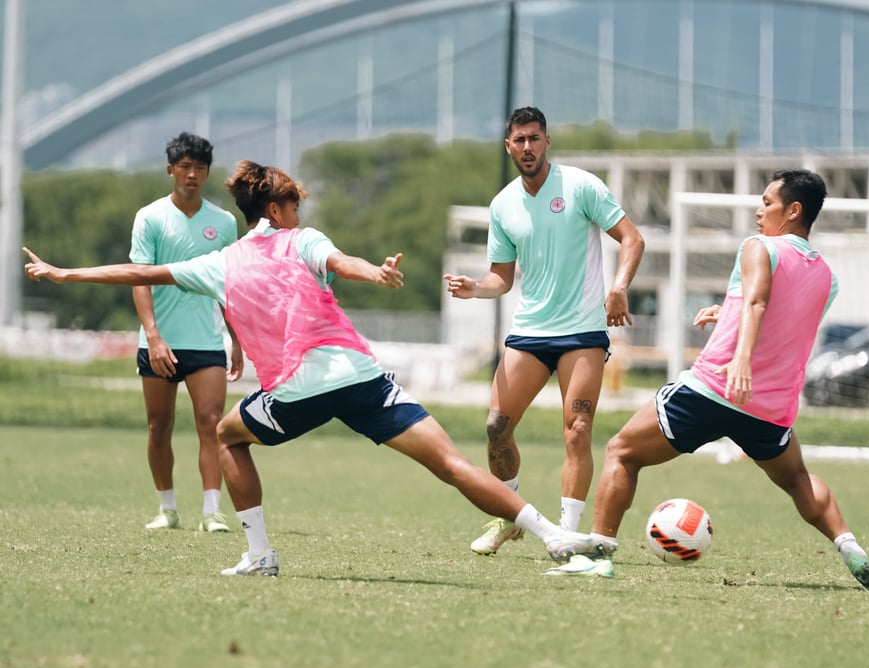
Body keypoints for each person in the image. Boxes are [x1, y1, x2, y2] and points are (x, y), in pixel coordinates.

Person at [24, 160, 599, 577]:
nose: (299, 214)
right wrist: (376, 272)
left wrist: (65, 274)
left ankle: (259, 554)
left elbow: (140, 273)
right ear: (275, 210)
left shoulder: (220, 262)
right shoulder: (302, 240)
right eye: (294, 205)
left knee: (226, 435)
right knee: (451, 464)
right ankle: (552, 535)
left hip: (298, 391)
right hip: (361, 377)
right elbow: (343, 263)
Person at [546, 169, 869, 592]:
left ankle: (599, 556)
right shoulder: (827, 277)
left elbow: (758, 302)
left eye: (767, 203)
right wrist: (726, 313)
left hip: (713, 389)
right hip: (770, 408)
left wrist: (740, 360)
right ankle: (851, 548)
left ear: (793, 210)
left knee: (621, 452)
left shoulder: (759, 246)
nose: (759, 211)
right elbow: (780, 319)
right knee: (797, 479)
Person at [444, 106, 645, 557]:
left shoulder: (581, 186)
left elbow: (632, 239)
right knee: (496, 427)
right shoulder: (502, 205)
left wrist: (618, 288)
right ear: (508, 146)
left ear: (547, 142)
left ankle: (567, 533)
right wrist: (475, 288)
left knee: (577, 429)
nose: (528, 147)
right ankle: (509, 516)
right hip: (531, 333)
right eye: (520, 140)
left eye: (535, 138)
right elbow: (501, 278)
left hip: (582, 332)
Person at [130, 131, 243, 533]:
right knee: (158, 426)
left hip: (206, 342)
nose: (192, 174)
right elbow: (139, 279)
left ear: (208, 172)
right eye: (184, 167)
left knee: (212, 423)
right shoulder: (150, 218)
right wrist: (153, 336)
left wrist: (237, 340)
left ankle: (212, 512)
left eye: (199, 167)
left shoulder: (224, 223)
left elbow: (228, 285)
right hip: (159, 342)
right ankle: (167, 509)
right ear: (170, 170)